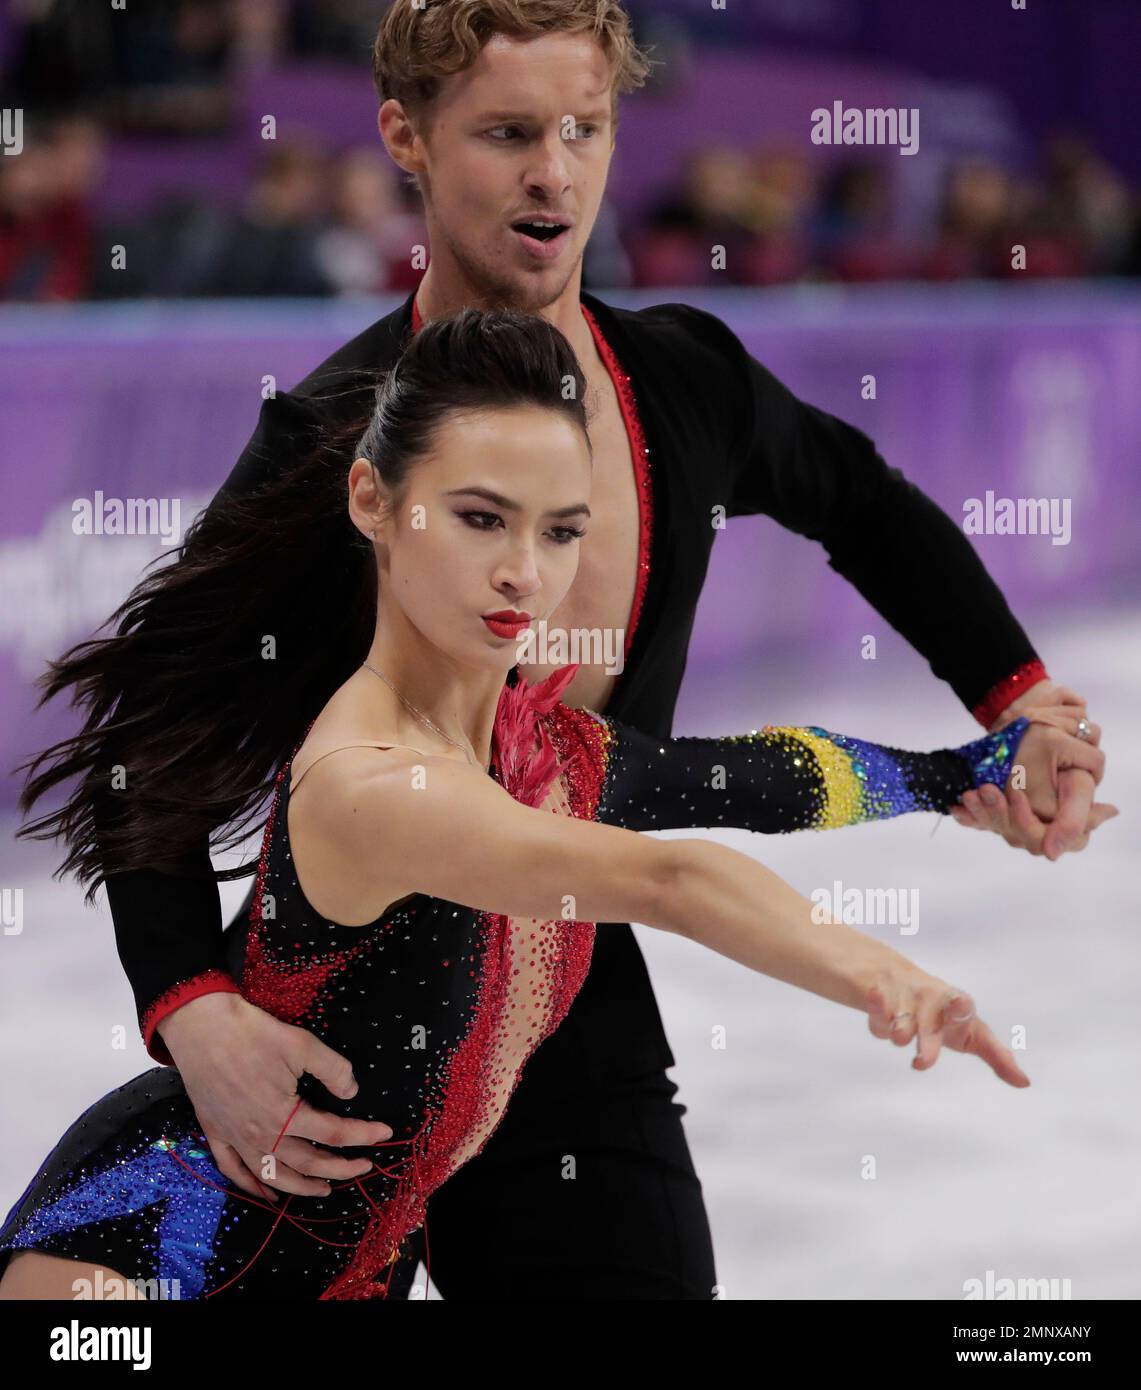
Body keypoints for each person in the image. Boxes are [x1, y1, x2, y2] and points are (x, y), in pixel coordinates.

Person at [12, 1, 1114, 1299]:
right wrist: (190, 1008)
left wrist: (1011, 714)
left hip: (559, 988)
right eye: (507, 132)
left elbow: (837, 546)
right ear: (404, 138)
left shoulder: (678, 391)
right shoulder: (332, 449)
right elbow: (149, 750)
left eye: (584, 129)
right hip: (321, 1064)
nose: (554, 169)